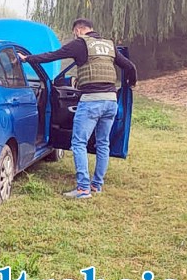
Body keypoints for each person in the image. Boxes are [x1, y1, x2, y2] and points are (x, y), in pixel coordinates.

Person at [18, 19, 137, 199]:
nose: (75, 35)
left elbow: (53, 55)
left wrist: (28, 59)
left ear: (79, 30)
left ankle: (83, 189)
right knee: (103, 143)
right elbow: (130, 66)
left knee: (78, 143)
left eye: (75, 33)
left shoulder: (80, 44)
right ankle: (96, 185)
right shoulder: (109, 45)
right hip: (111, 101)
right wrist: (132, 83)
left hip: (91, 101)